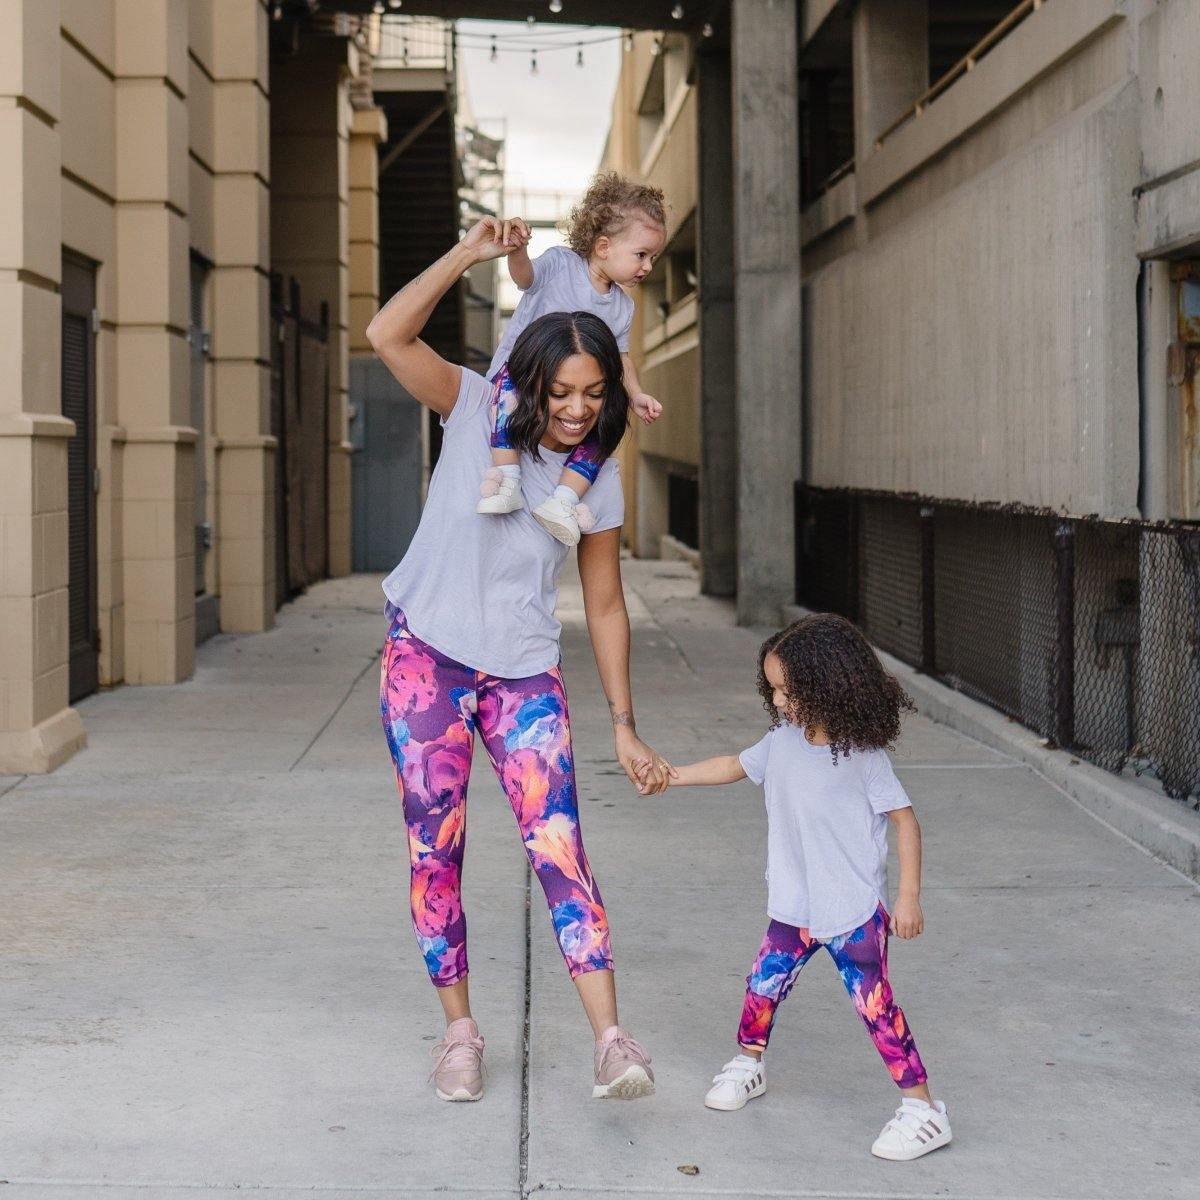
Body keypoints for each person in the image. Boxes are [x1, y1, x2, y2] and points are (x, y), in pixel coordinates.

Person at [366, 216, 674, 1104]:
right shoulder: (472, 408)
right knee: (436, 851)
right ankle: (459, 1034)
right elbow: (387, 334)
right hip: (425, 660)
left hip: (524, 674)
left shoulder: (597, 477)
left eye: (595, 393)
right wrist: (467, 253)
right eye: (563, 391)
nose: (578, 409)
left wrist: (623, 723)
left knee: (561, 848)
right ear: (530, 381)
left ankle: (611, 1041)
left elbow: (605, 605)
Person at [637, 614, 952, 1161]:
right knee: (763, 987)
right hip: (795, 906)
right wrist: (673, 774)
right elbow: (733, 765)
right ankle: (749, 1064)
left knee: (876, 1007)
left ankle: (924, 1109)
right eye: (774, 690)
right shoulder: (781, 741)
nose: (779, 701)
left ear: (828, 685)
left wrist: (907, 897)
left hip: (853, 910)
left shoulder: (863, 757)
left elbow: (906, 822)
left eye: (788, 690)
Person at [477, 172, 668, 547]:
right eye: (641, 255)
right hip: (520, 374)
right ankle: (507, 481)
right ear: (604, 246)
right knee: (507, 393)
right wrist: (517, 252)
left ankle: (563, 500)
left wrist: (636, 394)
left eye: (653, 257)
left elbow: (621, 358)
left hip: (572, 393)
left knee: (609, 419)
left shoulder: (622, 307)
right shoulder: (560, 264)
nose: (648, 266)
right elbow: (525, 279)